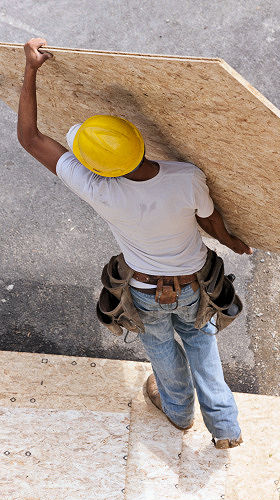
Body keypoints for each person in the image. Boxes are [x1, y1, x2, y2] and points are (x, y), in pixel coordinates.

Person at [18, 38, 253, 449]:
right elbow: (211, 220)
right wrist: (231, 241)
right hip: (196, 285)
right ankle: (226, 427)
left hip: (143, 290)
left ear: (97, 166)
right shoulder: (185, 176)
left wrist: (32, 69)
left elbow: (30, 137)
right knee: (201, 343)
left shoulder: (98, 188)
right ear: (137, 141)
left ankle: (179, 414)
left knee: (161, 348)